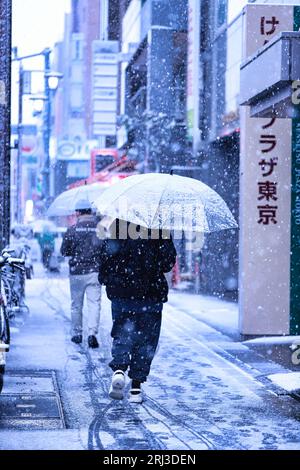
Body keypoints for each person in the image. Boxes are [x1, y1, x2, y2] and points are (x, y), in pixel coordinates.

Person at [99, 219, 177, 403]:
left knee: (122, 331)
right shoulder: (159, 228)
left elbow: (105, 256)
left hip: (122, 292)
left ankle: (119, 368)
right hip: (151, 293)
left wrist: (109, 278)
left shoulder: (118, 225)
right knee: (147, 339)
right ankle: (136, 387)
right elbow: (167, 262)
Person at [61, 199, 103, 348]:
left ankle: (77, 333)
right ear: (90, 212)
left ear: (78, 212)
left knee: (76, 305)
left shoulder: (72, 230)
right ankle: (92, 333)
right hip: (95, 271)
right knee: (94, 303)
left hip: (77, 272)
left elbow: (64, 251)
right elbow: (106, 250)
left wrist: (75, 251)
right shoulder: (100, 229)